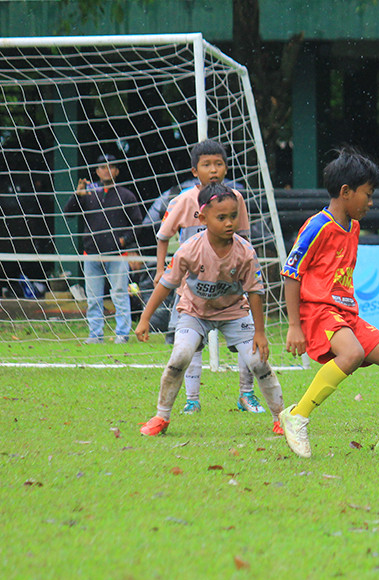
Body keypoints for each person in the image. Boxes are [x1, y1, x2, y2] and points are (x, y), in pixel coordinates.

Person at [278, 147, 379, 459]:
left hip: (346, 313)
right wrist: (294, 325)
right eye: (368, 193)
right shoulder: (316, 226)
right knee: (351, 354)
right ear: (346, 191)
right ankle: (296, 415)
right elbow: (291, 273)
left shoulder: (354, 226)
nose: (371, 201)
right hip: (319, 311)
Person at [135, 184, 284, 436]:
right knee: (180, 356)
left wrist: (260, 332)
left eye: (233, 216)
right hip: (195, 312)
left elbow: (255, 293)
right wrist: (144, 318)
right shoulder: (189, 249)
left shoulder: (245, 252)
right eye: (221, 217)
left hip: (234, 313)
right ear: (203, 218)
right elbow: (165, 284)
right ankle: (161, 417)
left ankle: (281, 419)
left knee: (259, 362)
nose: (229, 223)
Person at [154, 140, 266, 417]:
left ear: (227, 167)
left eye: (219, 164)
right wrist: (161, 270)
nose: (213, 170)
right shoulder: (182, 200)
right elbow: (163, 235)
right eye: (207, 165)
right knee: (190, 344)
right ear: (195, 170)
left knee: (247, 339)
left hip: (229, 289)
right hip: (191, 290)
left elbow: (243, 238)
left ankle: (246, 394)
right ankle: (192, 399)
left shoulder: (235, 199)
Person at [62, 153, 140, 343]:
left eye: (111, 167)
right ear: (97, 171)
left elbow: (138, 224)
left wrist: (124, 241)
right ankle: (95, 335)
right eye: (103, 167)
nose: (107, 170)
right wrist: (76, 195)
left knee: (120, 295)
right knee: (93, 298)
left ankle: (122, 335)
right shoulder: (88, 193)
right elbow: (68, 213)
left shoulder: (126, 195)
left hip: (117, 255)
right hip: (92, 255)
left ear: (117, 171)